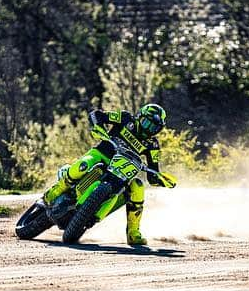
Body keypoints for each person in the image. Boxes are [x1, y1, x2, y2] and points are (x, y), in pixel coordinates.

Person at [43, 103, 171, 245]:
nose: (148, 129)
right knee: (82, 165)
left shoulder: (153, 145)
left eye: (154, 127)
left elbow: (153, 172)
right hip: (102, 154)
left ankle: (133, 232)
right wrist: (98, 126)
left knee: (139, 186)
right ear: (139, 117)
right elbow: (96, 115)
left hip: (123, 173)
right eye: (147, 123)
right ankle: (57, 190)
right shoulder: (125, 118)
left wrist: (158, 178)